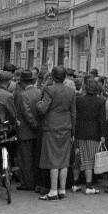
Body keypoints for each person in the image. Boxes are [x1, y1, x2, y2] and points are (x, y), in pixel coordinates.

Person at [36, 66, 76, 200]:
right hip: (66, 126)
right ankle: (62, 189)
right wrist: (73, 131)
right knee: (64, 159)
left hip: (51, 126)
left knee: (53, 158)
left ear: (52, 76)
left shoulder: (49, 89)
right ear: (65, 77)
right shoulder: (71, 91)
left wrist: (38, 103)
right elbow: (73, 113)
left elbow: (42, 109)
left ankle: (53, 191)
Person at [71, 77, 107, 194]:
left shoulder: (79, 99)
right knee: (89, 159)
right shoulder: (101, 101)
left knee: (77, 158)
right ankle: (89, 186)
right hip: (93, 133)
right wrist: (103, 135)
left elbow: (75, 116)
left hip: (79, 132)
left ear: (85, 88)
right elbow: (102, 119)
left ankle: (75, 184)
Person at [13, 69, 45, 192]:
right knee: (35, 157)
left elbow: (27, 114)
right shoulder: (39, 91)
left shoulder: (23, 95)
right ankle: (36, 180)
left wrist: (34, 125)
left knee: (25, 158)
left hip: (26, 131)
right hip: (38, 131)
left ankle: (27, 182)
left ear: (22, 82)